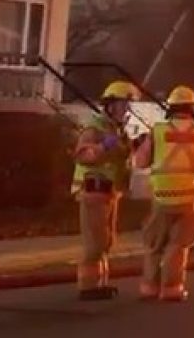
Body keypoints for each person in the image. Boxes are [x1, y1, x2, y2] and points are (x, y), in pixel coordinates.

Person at [133, 85, 194, 302]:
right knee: (178, 245)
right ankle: (171, 288)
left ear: (170, 107)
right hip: (188, 197)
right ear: (192, 108)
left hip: (161, 197)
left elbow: (139, 162)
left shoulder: (157, 131)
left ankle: (149, 287)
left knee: (154, 243)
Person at [70, 80, 137, 300]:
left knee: (106, 242)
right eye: (122, 104)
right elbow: (83, 156)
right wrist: (103, 146)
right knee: (95, 243)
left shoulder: (116, 130)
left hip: (109, 192)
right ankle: (88, 287)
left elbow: (121, 160)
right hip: (93, 191)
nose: (126, 109)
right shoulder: (94, 128)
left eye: (127, 105)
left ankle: (99, 284)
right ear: (110, 105)